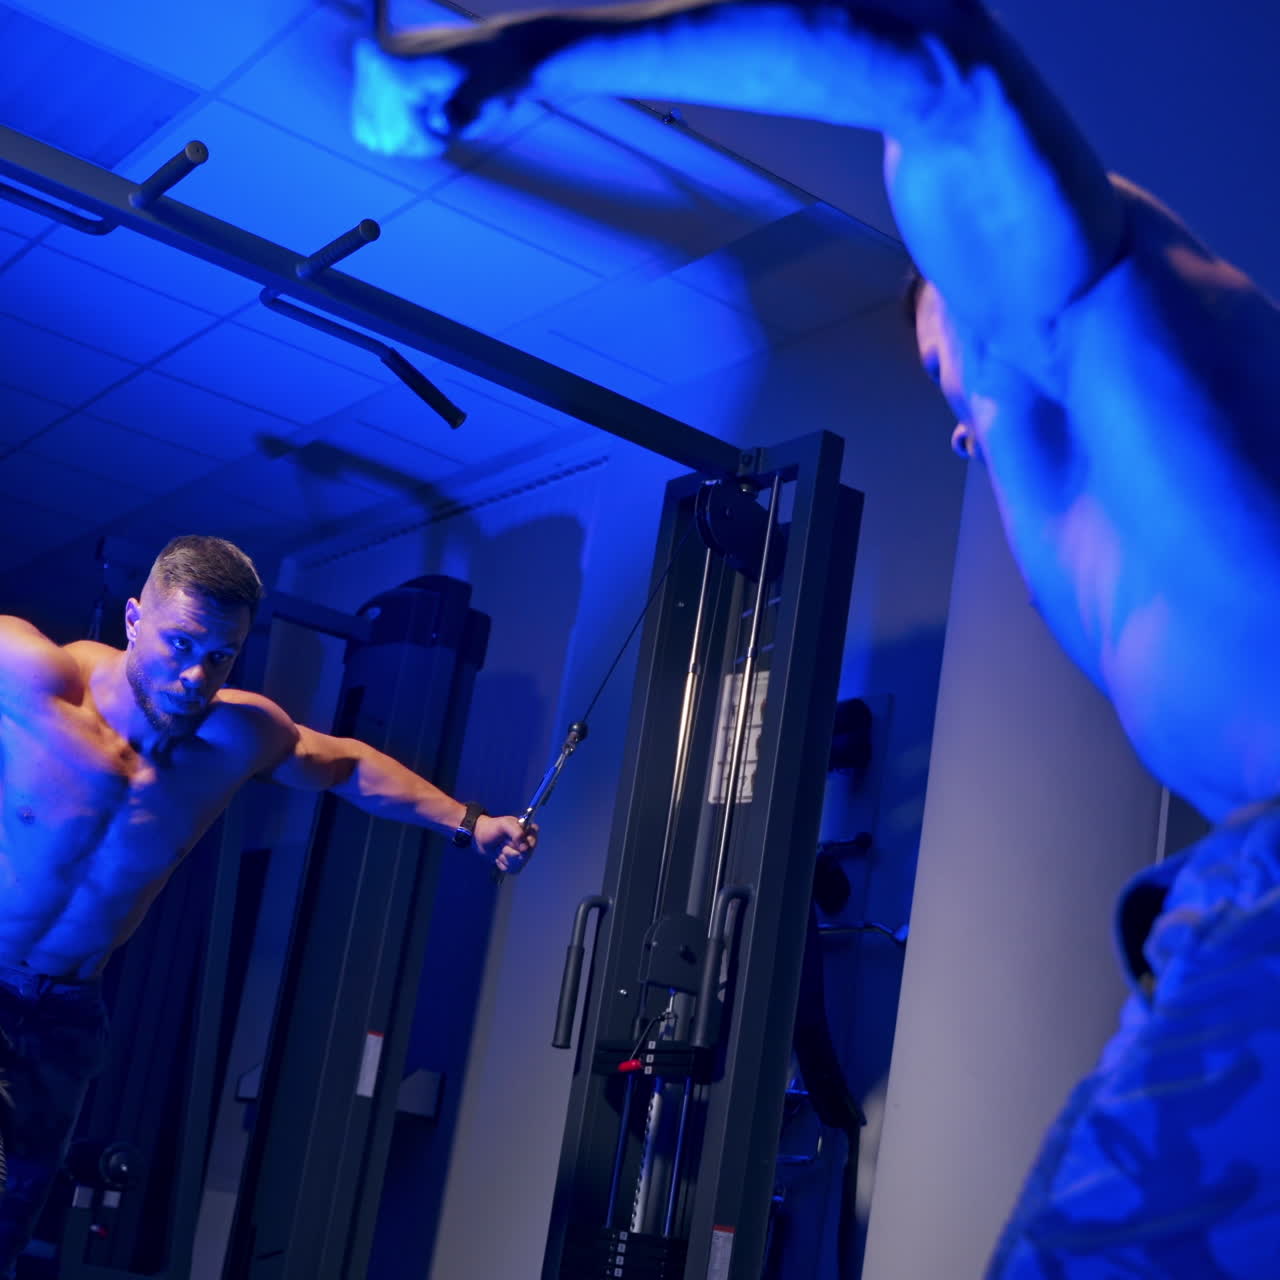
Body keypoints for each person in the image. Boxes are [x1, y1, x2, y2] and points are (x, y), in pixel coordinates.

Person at [353, 2, 1280, 1274]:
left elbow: (939, 61)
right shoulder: (1080, 404)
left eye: (936, 372)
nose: (952, 421)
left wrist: (519, 54)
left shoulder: (1072, 294)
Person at [0, 534, 535, 1271]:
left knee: (14, 1217)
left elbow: (347, 765)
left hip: (66, 1013)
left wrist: (470, 822)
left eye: (221, 655)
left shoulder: (236, 735)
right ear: (132, 618)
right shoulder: (31, 675)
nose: (196, 676)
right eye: (180, 643)